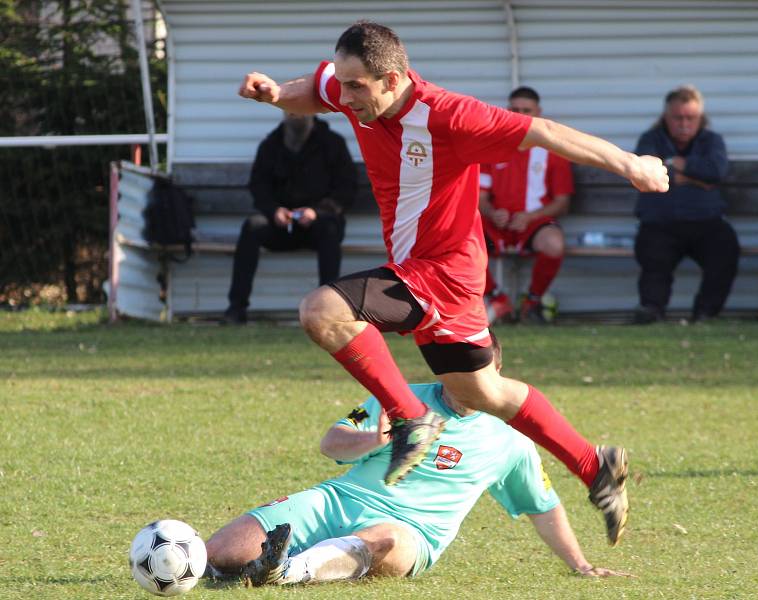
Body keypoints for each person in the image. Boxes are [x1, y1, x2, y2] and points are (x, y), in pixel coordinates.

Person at [238, 20, 668, 545]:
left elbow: (546, 132)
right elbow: (317, 87)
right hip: (440, 275)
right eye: (344, 84)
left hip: (440, 271)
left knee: (322, 311)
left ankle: (410, 418)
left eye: (357, 87)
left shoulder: (451, 116)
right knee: (480, 390)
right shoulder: (354, 90)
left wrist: (631, 164)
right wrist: (280, 93)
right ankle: (593, 463)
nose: (345, 97)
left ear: (393, 79)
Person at [204, 336, 632, 585]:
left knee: (386, 543)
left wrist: (581, 565)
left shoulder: (511, 441)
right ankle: (202, 566)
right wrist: (372, 439)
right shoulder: (393, 395)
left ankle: (289, 570)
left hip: (410, 532)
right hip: (335, 501)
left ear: (494, 377)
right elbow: (331, 441)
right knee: (221, 553)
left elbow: (543, 506)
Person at [222, 111, 357, 324]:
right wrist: (274, 210)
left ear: (312, 111)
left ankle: (328, 310)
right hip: (282, 226)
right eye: (290, 109)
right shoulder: (271, 144)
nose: (296, 114)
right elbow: (259, 186)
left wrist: (318, 211)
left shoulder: (332, 143)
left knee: (330, 230)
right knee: (252, 227)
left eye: (300, 108)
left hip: (320, 224)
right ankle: (236, 309)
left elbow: (347, 188)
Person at [632, 85, 738, 324]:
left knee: (725, 250)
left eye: (690, 118)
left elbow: (717, 171)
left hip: (706, 222)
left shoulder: (712, 140)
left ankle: (705, 314)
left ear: (700, 118)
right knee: (654, 258)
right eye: (677, 118)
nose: (684, 124)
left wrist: (678, 165)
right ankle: (651, 311)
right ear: (665, 117)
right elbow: (644, 171)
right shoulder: (650, 140)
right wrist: (699, 180)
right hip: (660, 222)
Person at [480, 86, 574, 323]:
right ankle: (496, 299)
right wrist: (492, 212)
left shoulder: (553, 150)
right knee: (459, 240)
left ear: (538, 113)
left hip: (534, 223)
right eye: (515, 109)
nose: (520, 115)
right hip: (496, 224)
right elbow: (480, 198)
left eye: (527, 110)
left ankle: (531, 303)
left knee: (554, 244)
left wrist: (529, 217)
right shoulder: (493, 146)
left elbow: (562, 202)